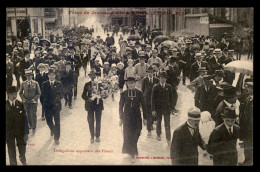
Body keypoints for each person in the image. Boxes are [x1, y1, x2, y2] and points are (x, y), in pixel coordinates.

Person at [119, 77, 147, 163]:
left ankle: (132, 150)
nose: (131, 85)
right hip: (127, 117)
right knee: (129, 134)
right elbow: (120, 107)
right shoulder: (123, 94)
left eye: (132, 83)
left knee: (137, 133)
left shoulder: (139, 93)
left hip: (137, 117)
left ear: (135, 83)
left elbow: (144, 106)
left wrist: (145, 118)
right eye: (129, 83)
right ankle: (133, 153)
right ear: (127, 84)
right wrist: (121, 118)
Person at [6, 86, 29, 165]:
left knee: (22, 147)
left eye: (15, 94)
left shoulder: (20, 103)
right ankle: (13, 163)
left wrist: (26, 132)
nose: (14, 96)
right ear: (8, 94)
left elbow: (25, 119)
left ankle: (22, 158)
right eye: (12, 94)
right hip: (9, 133)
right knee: (11, 150)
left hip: (20, 131)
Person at [42, 68, 64, 145]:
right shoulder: (44, 84)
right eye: (50, 75)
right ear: (48, 76)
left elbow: (62, 95)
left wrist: (57, 99)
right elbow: (43, 95)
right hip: (47, 106)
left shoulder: (59, 84)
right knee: (48, 121)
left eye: (53, 75)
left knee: (57, 122)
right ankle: (52, 129)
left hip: (56, 106)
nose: (51, 76)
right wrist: (44, 105)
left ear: (55, 75)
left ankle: (57, 138)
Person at [151, 71, 174, 145]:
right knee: (158, 122)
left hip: (167, 109)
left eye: (164, 78)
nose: (163, 80)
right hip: (158, 108)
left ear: (166, 79)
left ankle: (168, 139)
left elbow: (171, 98)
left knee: (167, 124)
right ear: (159, 78)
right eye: (161, 78)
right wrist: (153, 109)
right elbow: (153, 99)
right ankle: (158, 134)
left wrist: (172, 108)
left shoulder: (169, 87)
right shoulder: (155, 87)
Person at [82, 70, 104, 143]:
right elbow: (83, 95)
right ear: (89, 76)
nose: (93, 76)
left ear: (96, 76)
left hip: (98, 104)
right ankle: (92, 136)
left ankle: (97, 136)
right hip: (90, 105)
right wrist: (88, 99)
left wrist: (102, 95)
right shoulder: (87, 84)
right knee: (90, 121)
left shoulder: (100, 84)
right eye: (91, 75)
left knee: (98, 121)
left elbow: (104, 94)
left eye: (94, 75)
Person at [19, 69, 41, 135]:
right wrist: (23, 99)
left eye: (30, 76)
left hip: (33, 102)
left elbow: (39, 93)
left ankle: (34, 128)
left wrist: (34, 99)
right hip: (26, 102)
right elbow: (20, 93)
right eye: (27, 76)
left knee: (33, 115)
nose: (29, 77)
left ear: (32, 76)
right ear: (26, 76)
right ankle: (30, 125)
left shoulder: (36, 83)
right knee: (28, 114)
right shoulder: (23, 83)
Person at [142, 66, 159, 137]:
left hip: (155, 100)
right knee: (148, 114)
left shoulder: (156, 80)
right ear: (147, 73)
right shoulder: (144, 80)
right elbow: (142, 90)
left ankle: (151, 124)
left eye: (152, 72)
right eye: (149, 72)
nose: (150, 74)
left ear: (153, 72)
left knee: (153, 114)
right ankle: (149, 130)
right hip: (147, 100)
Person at [238, 81, 253, 165]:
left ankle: (248, 162)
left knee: (249, 145)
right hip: (246, 127)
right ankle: (247, 161)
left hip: (250, 128)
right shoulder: (249, 97)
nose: (247, 89)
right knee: (247, 145)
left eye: (249, 87)